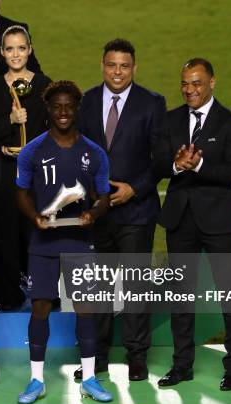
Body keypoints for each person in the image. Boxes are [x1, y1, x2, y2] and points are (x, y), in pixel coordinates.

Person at [153, 58, 231, 391]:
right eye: (184, 83)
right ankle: (182, 366)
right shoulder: (169, 120)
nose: (189, 89)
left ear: (212, 83)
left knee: (229, 294)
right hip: (180, 222)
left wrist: (200, 164)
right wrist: (177, 167)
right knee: (181, 297)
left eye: (195, 83)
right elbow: (157, 165)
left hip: (220, 223)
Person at [15, 80, 112, 404]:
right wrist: (35, 218)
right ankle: (36, 380)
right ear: (48, 110)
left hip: (80, 242)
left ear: (77, 109)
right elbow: (22, 195)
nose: (63, 112)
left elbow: (103, 198)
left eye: (69, 106)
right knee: (40, 307)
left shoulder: (94, 153)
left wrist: (94, 214)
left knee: (85, 310)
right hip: (42, 243)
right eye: (57, 107)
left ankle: (90, 378)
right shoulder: (32, 151)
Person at [76, 38, 166, 381]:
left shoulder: (152, 103)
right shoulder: (85, 102)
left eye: (124, 66)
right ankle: (96, 357)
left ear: (134, 68)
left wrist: (135, 189)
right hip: (96, 215)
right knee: (96, 288)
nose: (117, 72)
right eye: (111, 65)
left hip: (137, 213)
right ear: (102, 65)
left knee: (135, 287)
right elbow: (75, 152)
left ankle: (136, 356)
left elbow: (161, 157)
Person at [0, 25, 51, 310]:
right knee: (4, 236)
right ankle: (8, 299)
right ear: (1, 52)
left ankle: (43, 296)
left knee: (37, 234)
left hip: (38, 174)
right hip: (5, 174)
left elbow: (57, 128)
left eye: (21, 48)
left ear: (30, 50)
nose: (16, 54)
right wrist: (9, 120)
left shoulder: (45, 85)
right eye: (10, 49)